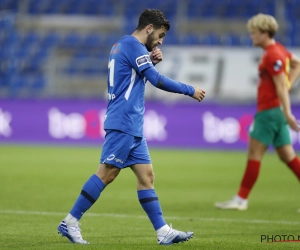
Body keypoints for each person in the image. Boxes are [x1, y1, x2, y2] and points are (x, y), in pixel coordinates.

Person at [57, 9, 205, 245]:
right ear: (149, 28)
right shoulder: (133, 46)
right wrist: (190, 90)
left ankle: (163, 231)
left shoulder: (122, 45)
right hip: (123, 121)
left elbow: (133, 77)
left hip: (132, 124)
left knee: (147, 176)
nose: (160, 41)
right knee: (107, 174)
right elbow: (157, 80)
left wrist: (149, 60)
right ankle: (70, 221)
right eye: (160, 34)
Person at [215, 13, 300, 211]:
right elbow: (297, 65)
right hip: (274, 111)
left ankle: (241, 200)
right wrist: (287, 88)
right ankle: (240, 199)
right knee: (288, 156)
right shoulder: (279, 50)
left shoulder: (273, 54)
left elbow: (280, 87)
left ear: (264, 33)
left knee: (254, 153)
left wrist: (287, 111)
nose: (251, 36)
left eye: (254, 33)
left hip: (269, 112)